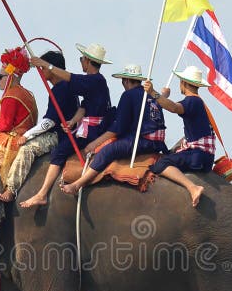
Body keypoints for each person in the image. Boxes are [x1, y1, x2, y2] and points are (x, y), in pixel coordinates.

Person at [19, 42, 112, 208]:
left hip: (93, 131)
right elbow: (84, 107)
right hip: (84, 126)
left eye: (82, 59)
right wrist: (72, 122)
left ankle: (42, 194)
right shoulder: (92, 82)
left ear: (88, 61)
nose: (80, 62)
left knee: (60, 151)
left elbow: (71, 78)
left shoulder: (95, 80)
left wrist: (47, 65)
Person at [61, 64, 167, 195]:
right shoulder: (153, 96)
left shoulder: (128, 95)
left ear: (126, 80)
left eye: (123, 81)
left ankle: (77, 184)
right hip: (159, 143)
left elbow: (118, 127)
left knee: (107, 151)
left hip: (143, 141)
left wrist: (95, 143)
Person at [0, 49, 80, 202]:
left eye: (43, 68)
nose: (41, 72)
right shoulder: (66, 87)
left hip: (57, 135)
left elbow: (50, 121)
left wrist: (27, 135)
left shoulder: (60, 89)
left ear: (52, 68)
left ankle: (11, 189)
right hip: (61, 131)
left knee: (27, 149)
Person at [142, 65, 217, 207]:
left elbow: (174, 107)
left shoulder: (192, 101)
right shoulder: (198, 102)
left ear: (184, 82)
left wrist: (153, 93)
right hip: (205, 155)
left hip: (197, 155)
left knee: (161, 164)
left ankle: (192, 187)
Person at [0, 47, 38, 184]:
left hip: (12, 142)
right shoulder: (27, 94)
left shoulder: (11, 96)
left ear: (9, 75)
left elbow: (6, 124)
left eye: (0, 77)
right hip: (27, 138)